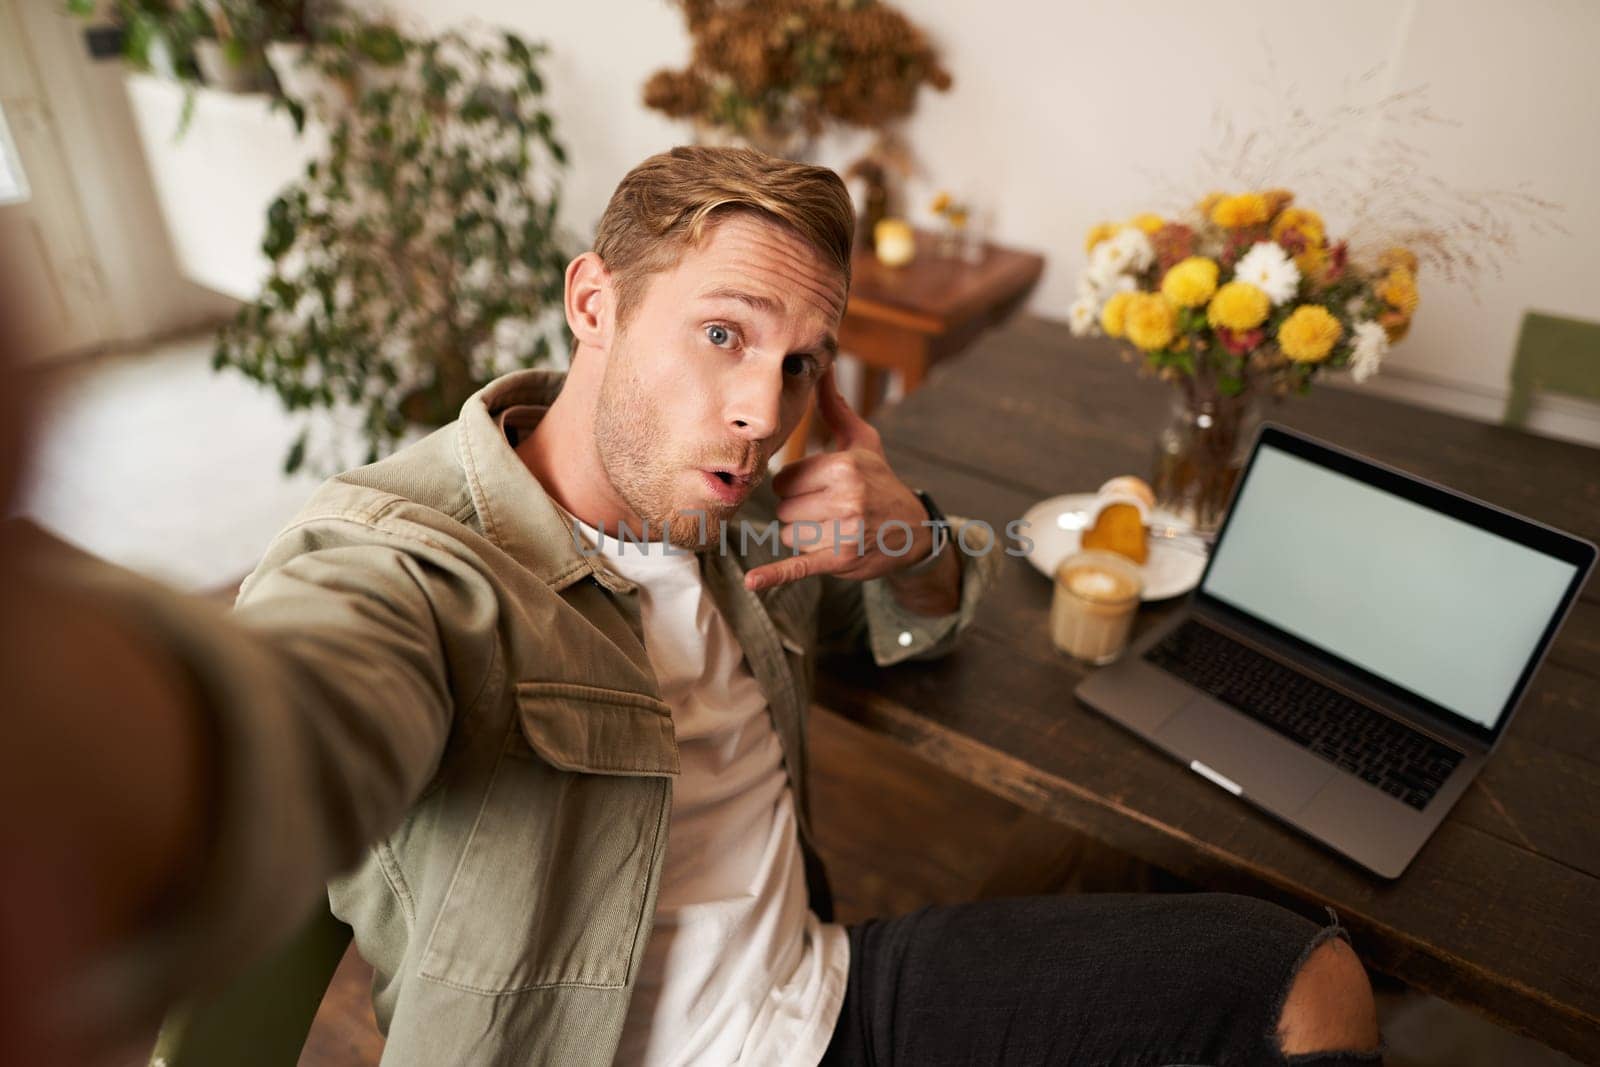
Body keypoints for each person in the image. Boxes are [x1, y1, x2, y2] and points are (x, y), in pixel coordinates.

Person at [1, 147, 1385, 1066]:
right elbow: (308, 706)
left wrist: (905, 537)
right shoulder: (413, 563)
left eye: (799, 364)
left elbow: (910, 612)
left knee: (1306, 981)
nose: (760, 410)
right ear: (593, 301)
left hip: (829, 1001)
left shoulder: (723, 514)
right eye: (723, 333)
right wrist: (105, 736)